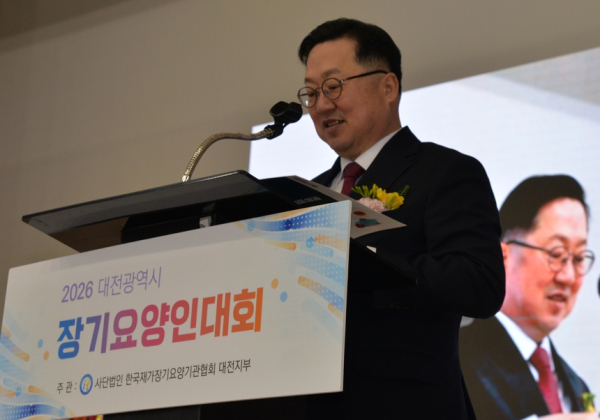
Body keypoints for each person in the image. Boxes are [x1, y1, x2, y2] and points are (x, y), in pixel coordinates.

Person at [298, 18, 505, 419]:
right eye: (311, 92)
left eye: (333, 86)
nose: (321, 105)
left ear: (388, 87)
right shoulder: (309, 194)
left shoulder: (445, 171)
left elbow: (479, 283)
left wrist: (367, 263)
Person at [460, 175, 597, 420]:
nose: (568, 277)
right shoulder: (458, 355)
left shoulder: (577, 385)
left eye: (578, 259)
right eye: (556, 254)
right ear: (503, 255)